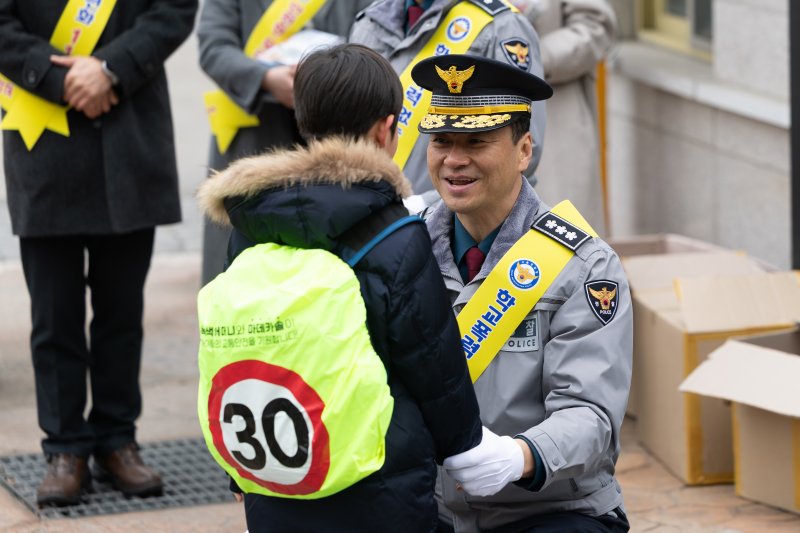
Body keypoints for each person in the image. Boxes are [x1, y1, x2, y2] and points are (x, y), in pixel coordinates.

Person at [196, 43, 482, 532]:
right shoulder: (394, 232)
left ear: (302, 122)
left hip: (279, 474)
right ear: (386, 130)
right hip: (378, 480)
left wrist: (239, 472)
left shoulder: (251, 222)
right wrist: (463, 443)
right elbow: (432, 359)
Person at [411, 54, 632, 532]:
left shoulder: (583, 265)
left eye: (477, 141)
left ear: (524, 150)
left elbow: (590, 414)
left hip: (546, 508)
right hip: (432, 508)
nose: (454, 160)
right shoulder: (406, 248)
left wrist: (521, 456)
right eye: (441, 140)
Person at [0, 0, 197, 507]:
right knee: (54, 316)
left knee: (121, 313)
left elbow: (175, 10)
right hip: (44, 135)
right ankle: (65, 448)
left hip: (129, 129)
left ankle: (116, 439)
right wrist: (59, 78)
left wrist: (110, 68)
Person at [197, 0, 373, 285]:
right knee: (242, 273)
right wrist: (265, 78)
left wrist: (330, 80)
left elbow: (375, 37)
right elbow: (214, 47)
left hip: (337, 140)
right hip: (255, 137)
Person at [349, 0, 547, 209]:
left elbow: (525, 145)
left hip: (458, 217)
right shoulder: (369, 21)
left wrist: (427, 205)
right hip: (371, 208)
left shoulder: (500, 24)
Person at [510, 0, 617, 235]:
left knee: (564, 239)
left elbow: (595, 25)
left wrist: (525, 57)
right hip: (458, 115)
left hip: (555, 118)